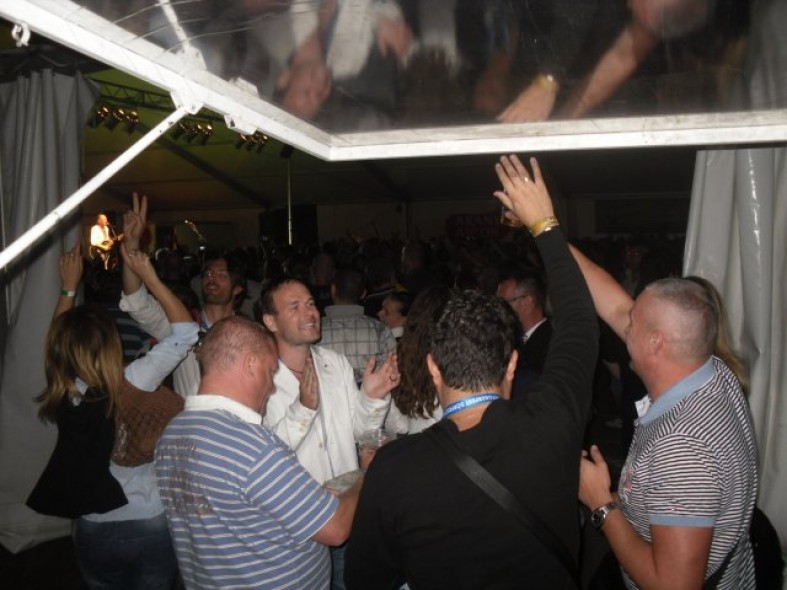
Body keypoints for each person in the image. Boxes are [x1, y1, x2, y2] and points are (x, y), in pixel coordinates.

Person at [345, 155, 599, 588]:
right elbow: (579, 320)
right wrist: (544, 224)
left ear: (433, 367)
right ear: (513, 363)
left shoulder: (394, 469)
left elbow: (366, 581)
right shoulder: (554, 423)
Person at [572, 249, 758, 588]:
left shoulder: (681, 448)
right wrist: (544, 229)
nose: (625, 325)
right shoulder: (714, 371)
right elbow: (615, 307)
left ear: (656, 342)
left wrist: (600, 503)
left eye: (633, 323)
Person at [27, 238, 198, 590]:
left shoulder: (65, 388)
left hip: (93, 524)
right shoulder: (134, 380)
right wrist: (149, 276)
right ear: (112, 342)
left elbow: (56, 349)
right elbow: (186, 332)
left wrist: (69, 288)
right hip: (147, 520)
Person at [155, 315, 363, 590]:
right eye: (270, 371)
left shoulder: (173, 432)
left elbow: (233, 514)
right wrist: (365, 475)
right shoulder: (251, 445)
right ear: (250, 364)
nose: (272, 386)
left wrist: (311, 501)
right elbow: (335, 529)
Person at [258, 276, 401, 589]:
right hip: (299, 523)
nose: (310, 312)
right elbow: (263, 455)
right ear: (271, 321)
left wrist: (372, 397)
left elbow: (361, 431)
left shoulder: (334, 363)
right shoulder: (260, 377)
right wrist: (303, 409)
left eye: (310, 303)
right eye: (295, 307)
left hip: (349, 506)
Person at [119, 194, 245, 397]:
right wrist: (132, 243)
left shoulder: (248, 331)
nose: (212, 278)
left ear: (238, 288)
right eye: (208, 274)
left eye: (222, 275)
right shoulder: (183, 324)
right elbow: (137, 301)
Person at [383, 285, 452, 435]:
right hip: (442, 443)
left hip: (417, 442)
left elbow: (399, 426)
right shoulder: (452, 360)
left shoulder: (405, 354)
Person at [319, 267, 397, 384]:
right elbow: (392, 372)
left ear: (333, 289)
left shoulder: (314, 330)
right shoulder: (380, 330)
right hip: (373, 393)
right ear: (363, 294)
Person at [497, 268, 553, 397]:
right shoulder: (515, 341)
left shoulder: (550, 343)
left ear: (527, 302)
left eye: (503, 304)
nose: (498, 311)